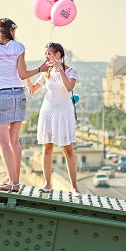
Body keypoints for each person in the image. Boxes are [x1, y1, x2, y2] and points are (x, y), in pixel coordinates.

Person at [0, 18, 47, 192]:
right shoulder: (19, 47)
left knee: (3, 142)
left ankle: (13, 183)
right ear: (12, 31)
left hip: (0, 96)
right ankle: (16, 182)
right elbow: (23, 75)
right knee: (14, 141)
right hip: (18, 94)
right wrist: (40, 69)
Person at [26, 42, 81, 196]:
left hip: (64, 113)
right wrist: (27, 77)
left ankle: (74, 187)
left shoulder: (72, 71)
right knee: (47, 147)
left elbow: (69, 87)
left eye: (49, 54)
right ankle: (47, 184)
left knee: (68, 149)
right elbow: (32, 90)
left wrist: (60, 68)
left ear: (58, 54)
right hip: (48, 112)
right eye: (46, 54)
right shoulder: (46, 73)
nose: (47, 57)